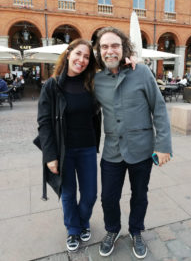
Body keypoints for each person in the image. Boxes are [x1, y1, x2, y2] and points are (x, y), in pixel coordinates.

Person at [94, 27, 172, 259]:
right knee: (108, 196)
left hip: (141, 148)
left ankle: (136, 231)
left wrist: (164, 145)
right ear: (99, 51)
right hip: (112, 150)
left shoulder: (143, 73)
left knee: (140, 194)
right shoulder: (96, 79)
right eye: (105, 47)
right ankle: (112, 229)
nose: (110, 51)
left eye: (115, 46)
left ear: (124, 48)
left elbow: (158, 108)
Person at [36, 39, 101, 252]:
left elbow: (115, 73)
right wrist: (50, 155)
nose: (81, 60)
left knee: (90, 194)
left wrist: (130, 61)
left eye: (86, 57)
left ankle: (82, 221)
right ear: (68, 53)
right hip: (64, 150)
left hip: (88, 147)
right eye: (78, 54)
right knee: (68, 193)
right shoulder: (51, 86)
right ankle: (73, 229)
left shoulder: (91, 83)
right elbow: (44, 123)